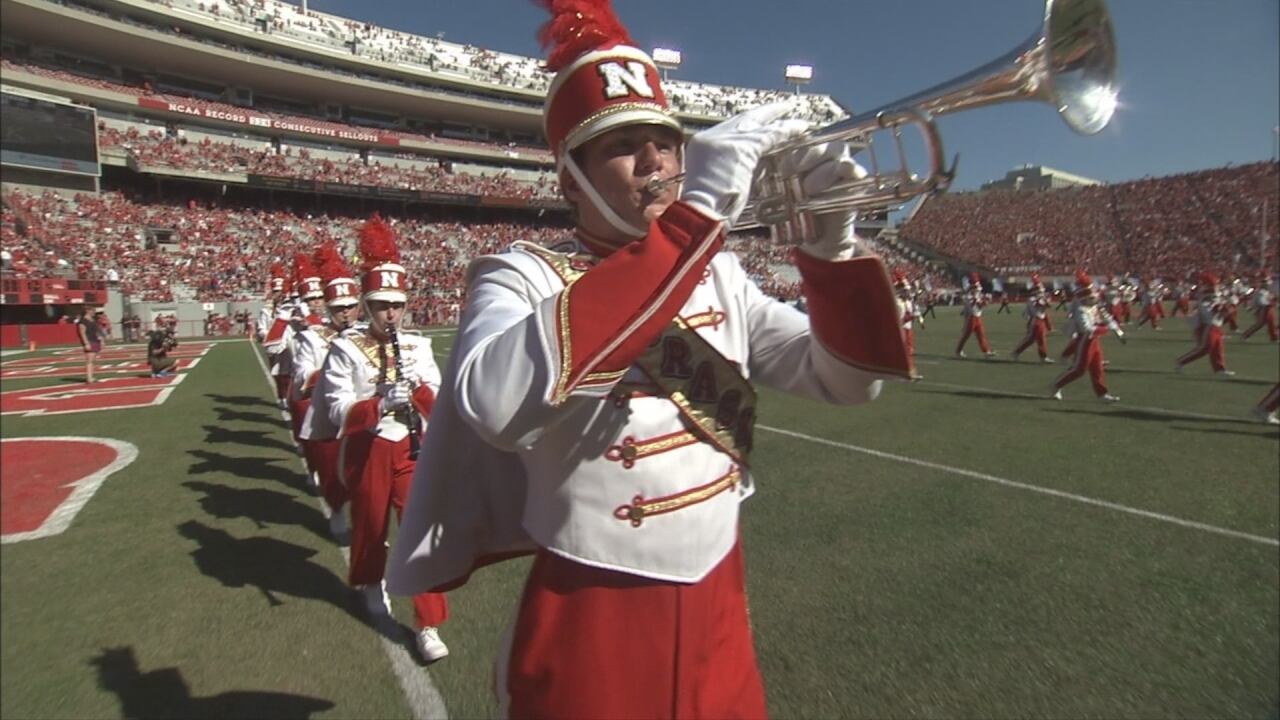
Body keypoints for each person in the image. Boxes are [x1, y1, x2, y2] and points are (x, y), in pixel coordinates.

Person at [386, 3, 913, 716]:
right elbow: (494, 405)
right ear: (570, 180)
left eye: (666, 143)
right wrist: (696, 221)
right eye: (624, 145)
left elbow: (848, 382)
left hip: (720, 599)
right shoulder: (521, 275)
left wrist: (832, 245)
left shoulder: (720, 274)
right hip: (593, 611)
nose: (656, 163)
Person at [312, 216, 450, 663]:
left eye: (397, 305)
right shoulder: (345, 349)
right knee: (370, 526)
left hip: (411, 448)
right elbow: (337, 409)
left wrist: (417, 392)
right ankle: (370, 583)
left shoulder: (418, 347)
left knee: (420, 530)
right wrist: (378, 403)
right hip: (368, 448)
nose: (391, 314)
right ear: (367, 306)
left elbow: (439, 402)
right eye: (381, 305)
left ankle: (428, 623)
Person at [296, 241, 362, 539]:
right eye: (338, 308)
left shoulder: (369, 335)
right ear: (328, 308)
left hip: (362, 415)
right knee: (333, 473)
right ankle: (336, 511)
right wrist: (334, 373)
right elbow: (301, 376)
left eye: (350, 307)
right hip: (328, 415)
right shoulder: (312, 338)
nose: (345, 313)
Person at [1051, 271, 1125, 402]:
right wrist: (1106, 329)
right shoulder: (1081, 311)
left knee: (1097, 368)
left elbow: (1106, 316)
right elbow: (1087, 329)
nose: (1095, 299)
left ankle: (1102, 394)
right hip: (1085, 341)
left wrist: (1117, 330)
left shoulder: (1093, 306)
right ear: (1084, 298)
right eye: (1092, 297)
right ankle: (1056, 385)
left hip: (1094, 340)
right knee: (1079, 369)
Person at [1175, 271, 1234, 376]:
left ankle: (1220, 369)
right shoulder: (1206, 297)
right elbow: (1207, 312)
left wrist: (1226, 309)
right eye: (1214, 285)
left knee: (1218, 348)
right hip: (1209, 325)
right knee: (1204, 348)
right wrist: (1221, 309)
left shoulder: (1215, 295)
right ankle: (1180, 361)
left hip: (1217, 325)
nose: (1217, 287)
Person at [1011, 272, 1053, 363]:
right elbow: (1040, 305)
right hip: (1035, 321)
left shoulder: (1040, 298)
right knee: (1032, 339)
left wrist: (1047, 299)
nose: (1042, 291)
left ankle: (1043, 356)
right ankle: (1016, 352)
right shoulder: (1032, 299)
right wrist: (1044, 300)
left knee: (1039, 339)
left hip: (1040, 320)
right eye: (1040, 290)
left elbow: (1048, 306)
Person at [955, 271, 995, 358]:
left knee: (981, 334)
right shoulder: (969, 296)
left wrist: (984, 301)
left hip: (977, 316)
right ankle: (958, 351)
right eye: (976, 286)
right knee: (966, 335)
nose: (978, 289)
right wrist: (984, 302)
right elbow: (976, 305)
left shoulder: (975, 294)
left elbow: (980, 302)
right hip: (972, 317)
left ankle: (986, 351)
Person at [1241, 271, 1277, 342]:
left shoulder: (1266, 291)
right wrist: (1271, 302)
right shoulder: (1260, 292)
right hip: (1263, 309)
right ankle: (1245, 335)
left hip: (1268, 309)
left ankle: (1274, 338)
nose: (1268, 284)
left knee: (1271, 323)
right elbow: (1261, 303)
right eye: (1266, 283)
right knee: (1260, 324)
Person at [75, 307, 104, 383]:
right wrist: (86, 343)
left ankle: (91, 377)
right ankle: (89, 378)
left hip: (95, 340)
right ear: (87, 311)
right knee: (89, 360)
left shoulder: (93, 320)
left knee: (92, 360)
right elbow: (82, 333)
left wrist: (101, 340)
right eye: (92, 310)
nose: (94, 312)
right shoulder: (83, 321)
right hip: (89, 341)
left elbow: (97, 331)